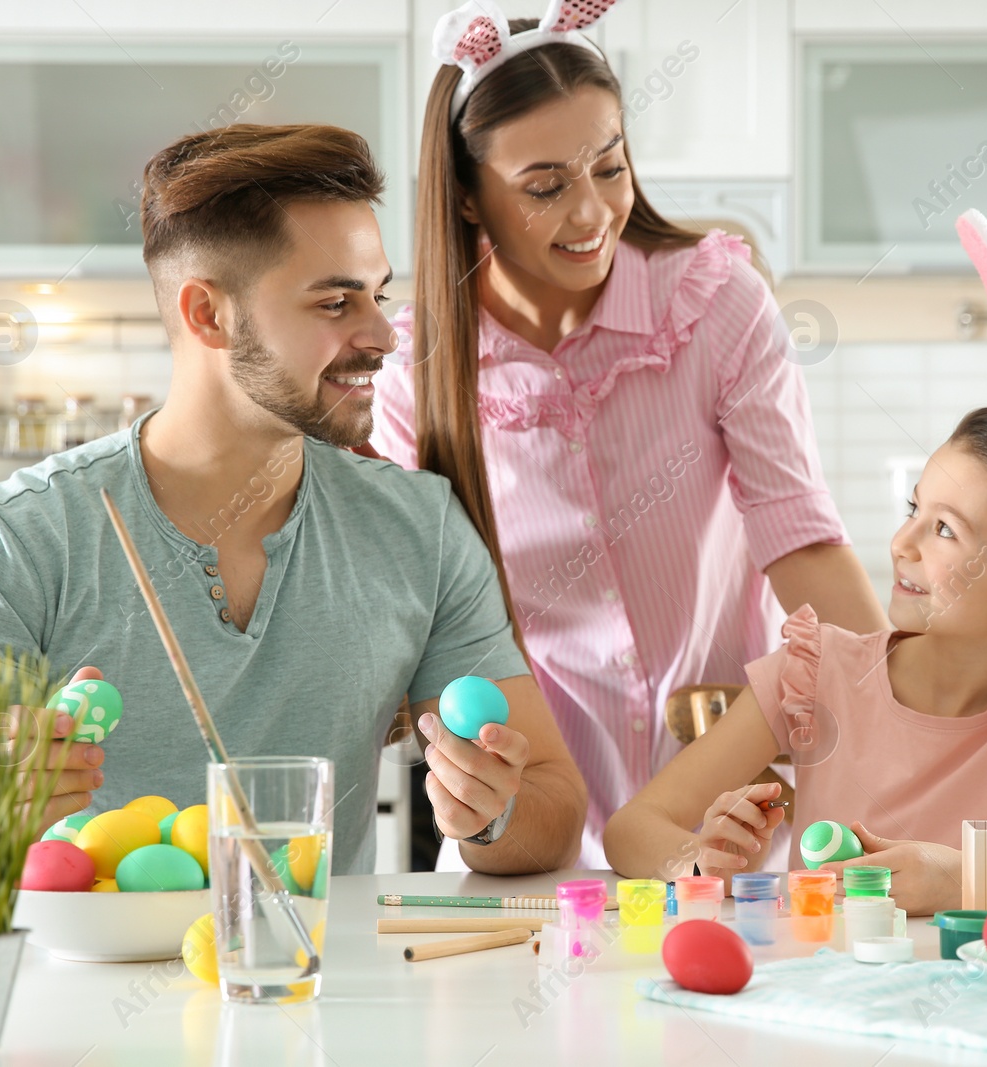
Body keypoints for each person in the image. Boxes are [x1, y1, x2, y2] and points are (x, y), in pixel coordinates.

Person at [0, 123, 586, 876]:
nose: (384, 336)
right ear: (209, 315)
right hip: (74, 988)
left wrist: (494, 813)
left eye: (379, 296)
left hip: (306, 983)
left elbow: (554, 810)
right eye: (335, 303)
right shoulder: (7, 546)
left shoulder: (418, 528)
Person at [371, 0, 887, 869]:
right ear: (465, 196)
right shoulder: (414, 372)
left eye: (609, 169)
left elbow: (800, 541)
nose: (591, 215)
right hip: (530, 822)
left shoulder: (715, 303)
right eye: (545, 187)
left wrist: (904, 723)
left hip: (723, 812)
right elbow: (409, 614)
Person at [603, 211, 987, 913]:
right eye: (913, 508)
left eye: (944, 529)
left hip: (982, 1012)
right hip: (820, 998)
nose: (901, 544)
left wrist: (966, 880)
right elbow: (630, 830)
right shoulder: (815, 675)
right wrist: (697, 858)